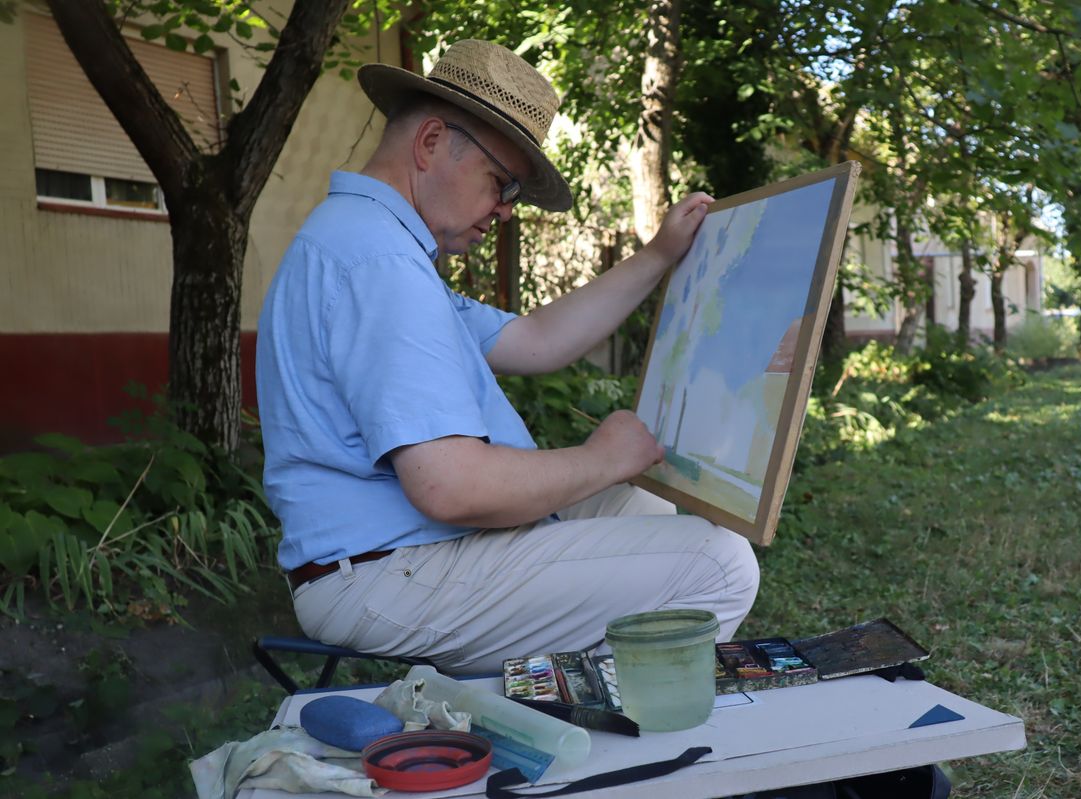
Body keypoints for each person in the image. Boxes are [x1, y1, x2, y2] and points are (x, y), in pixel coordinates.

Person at [256, 39, 759, 675]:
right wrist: (601, 457)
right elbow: (452, 487)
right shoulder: (380, 266)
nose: (505, 209)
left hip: (398, 556)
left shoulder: (376, 247)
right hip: (386, 575)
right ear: (431, 141)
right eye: (502, 182)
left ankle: (571, 704)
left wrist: (658, 256)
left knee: (640, 507)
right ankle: (587, 743)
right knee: (720, 564)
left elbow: (536, 339)